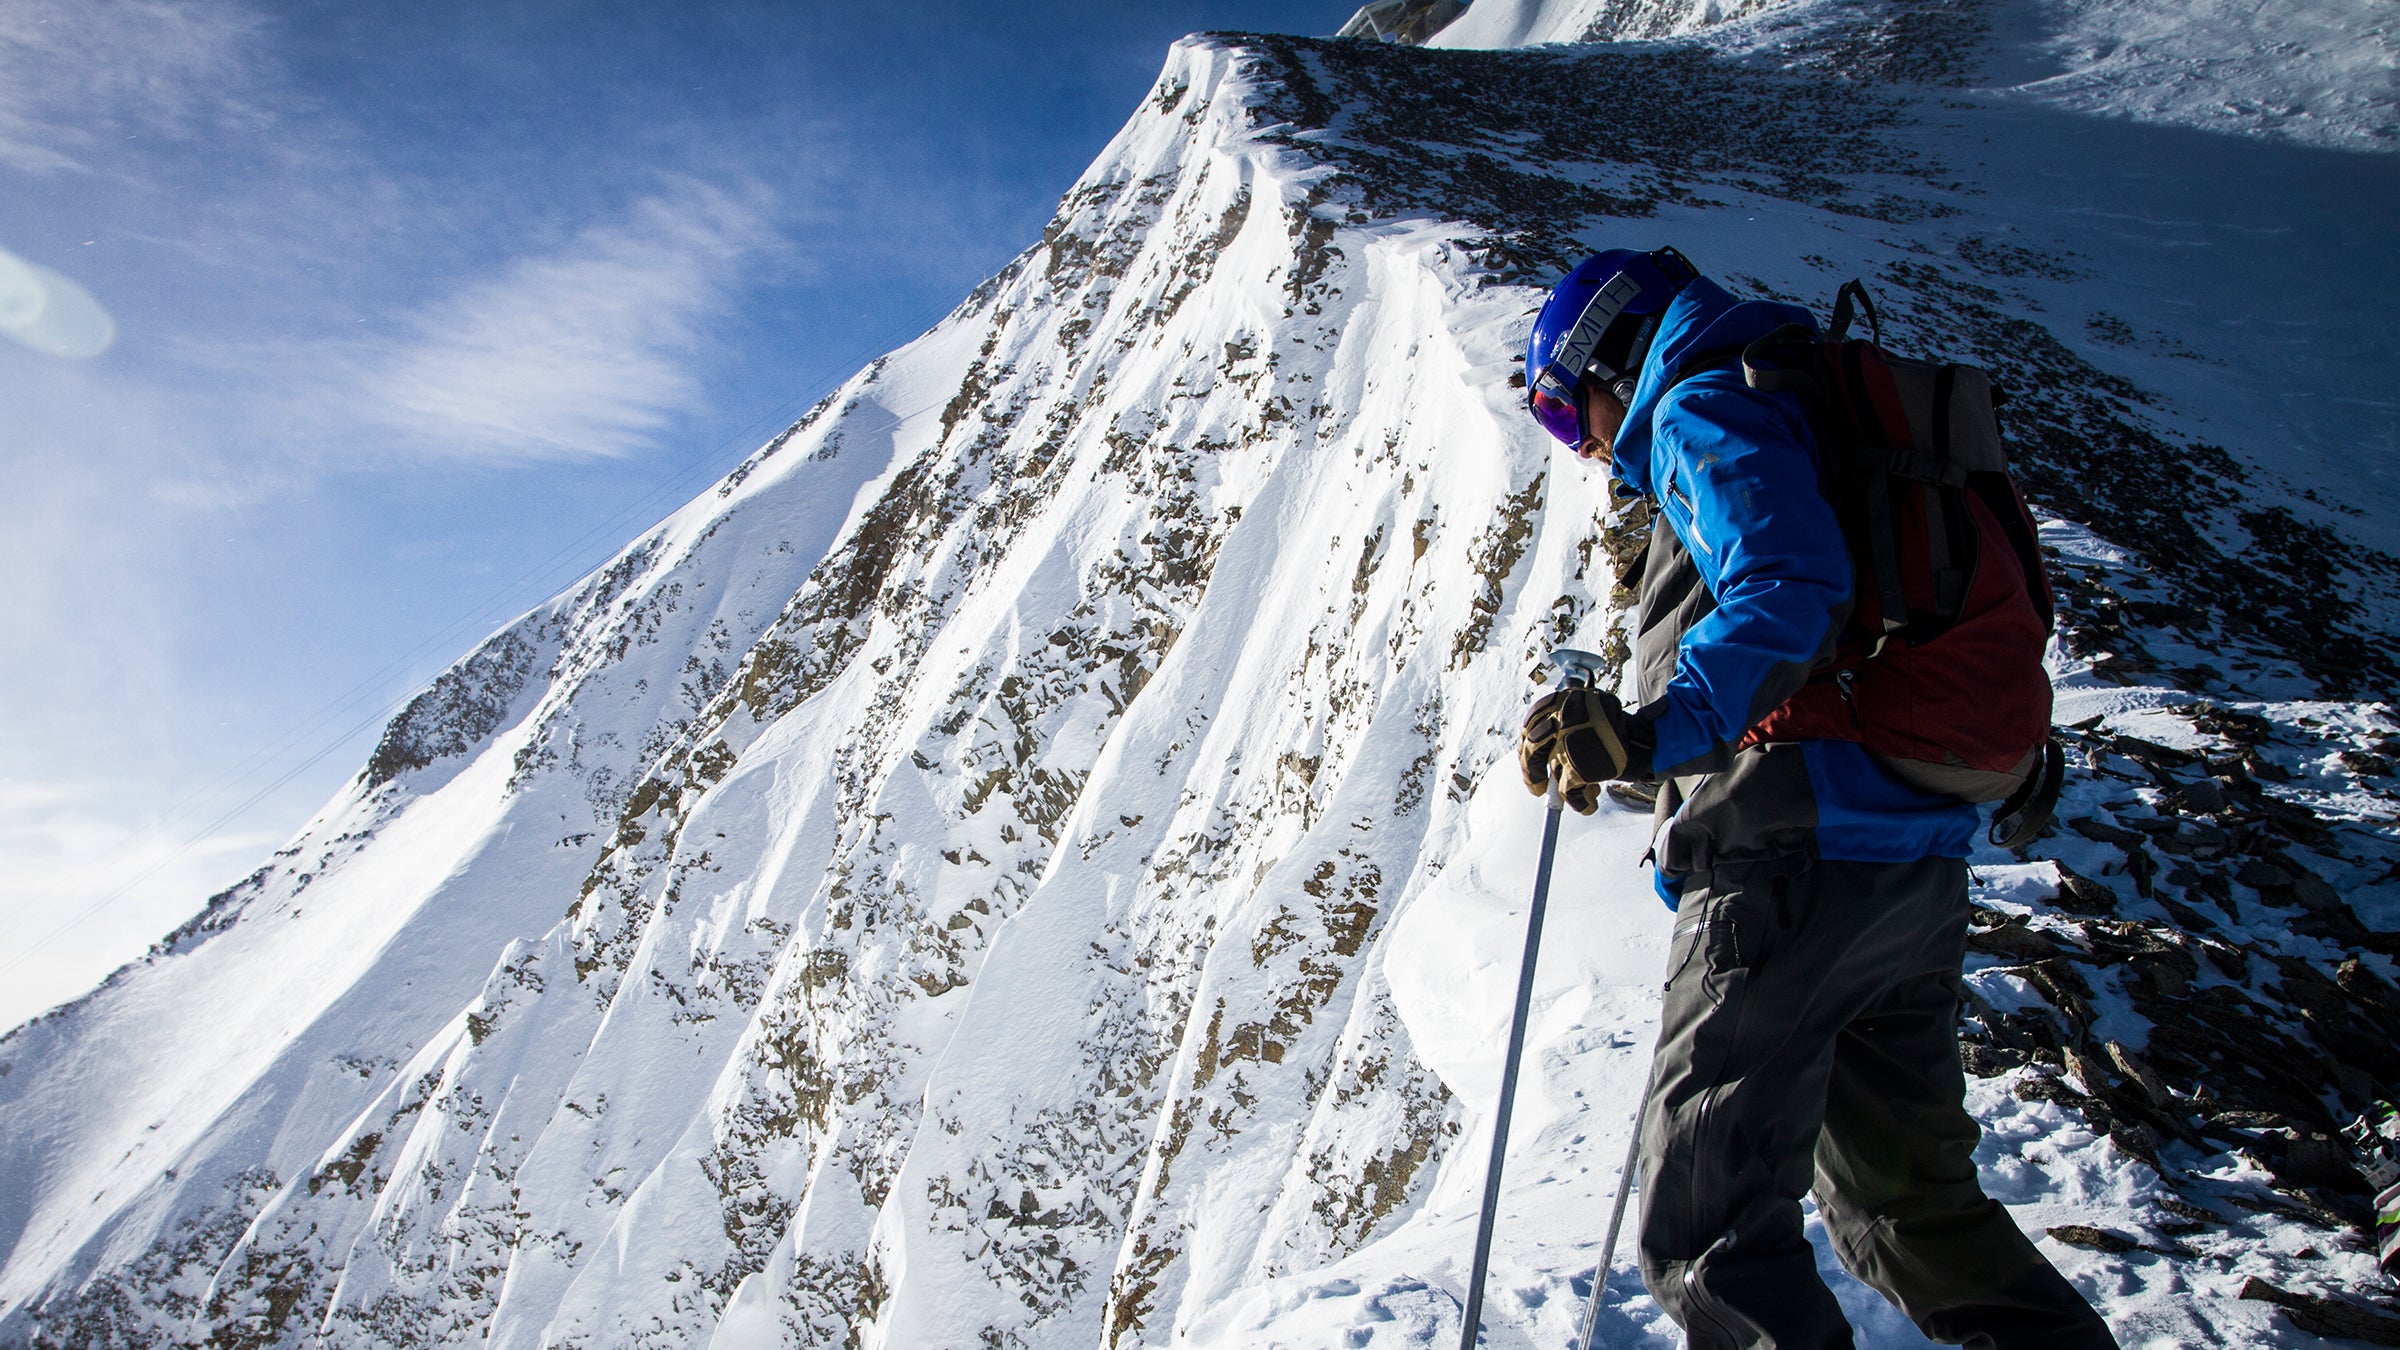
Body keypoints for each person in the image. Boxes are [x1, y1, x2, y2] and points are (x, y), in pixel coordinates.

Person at [1515, 248, 2118, 1349]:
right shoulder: (1800, 396)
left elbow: (1790, 586)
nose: (1586, 444)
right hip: (1912, 870)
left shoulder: (1702, 404)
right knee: (1907, 1208)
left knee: (1709, 1231)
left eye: (1565, 411)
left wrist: (1650, 732)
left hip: (1788, 864)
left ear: (1613, 354)